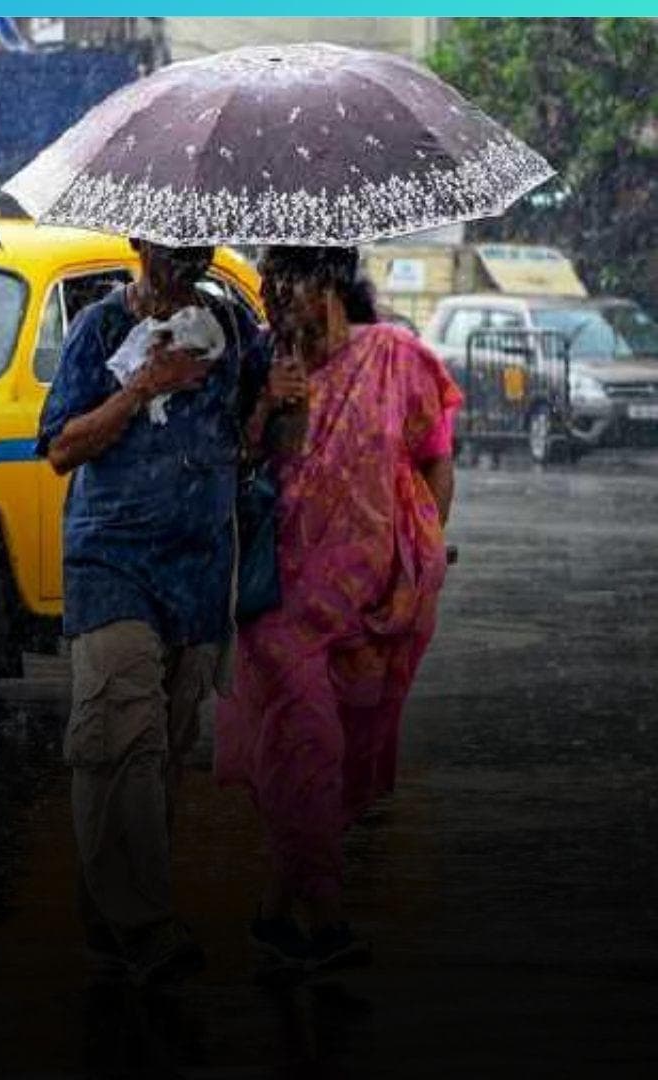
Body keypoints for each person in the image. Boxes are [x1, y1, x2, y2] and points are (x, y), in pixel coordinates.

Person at [36, 240, 284, 982]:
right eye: (174, 248)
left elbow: (243, 449)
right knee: (122, 736)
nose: (188, 260)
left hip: (198, 572)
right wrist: (142, 386)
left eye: (199, 249)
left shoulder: (229, 330)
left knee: (162, 753)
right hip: (113, 564)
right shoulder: (101, 329)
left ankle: (114, 913)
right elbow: (61, 448)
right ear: (140, 245)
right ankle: (143, 921)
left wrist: (269, 402)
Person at [215, 246, 459, 972]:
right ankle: (326, 924)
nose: (273, 295)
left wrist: (422, 552)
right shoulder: (257, 362)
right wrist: (268, 406)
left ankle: (273, 916)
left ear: (327, 282)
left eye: (287, 280)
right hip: (279, 601)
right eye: (268, 282)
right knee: (311, 745)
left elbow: (434, 456)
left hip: (371, 604)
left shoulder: (395, 358)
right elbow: (230, 467)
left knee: (328, 766)